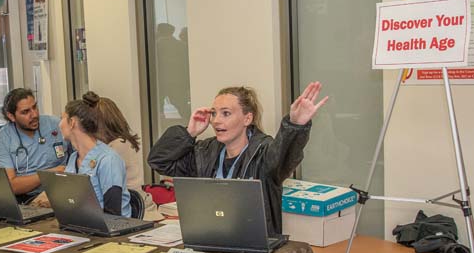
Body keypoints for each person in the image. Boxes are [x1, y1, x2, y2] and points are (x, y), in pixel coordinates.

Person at [148, 82, 328, 237]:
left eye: (225, 113)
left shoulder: (264, 152)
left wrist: (295, 124)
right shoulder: (204, 152)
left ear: (247, 118)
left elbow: (285, 155)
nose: (216, 121)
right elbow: (159, 161)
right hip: (208, 239)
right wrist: (189, 133)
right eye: (213, 114)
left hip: (252, 245)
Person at [0, 88, 68, 201]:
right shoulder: (1, 140)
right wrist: (48, 175)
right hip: (25, 198)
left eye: (35, 107)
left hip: (61, 191)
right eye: (25, 112)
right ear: (11, 116)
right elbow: (11, 185)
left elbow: (80, 154)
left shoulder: (55, 124)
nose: (34, 114)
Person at [60, 92, 131, 217]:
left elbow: (113, 214)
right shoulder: (73, 158)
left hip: (108, 231)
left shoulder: (108, 159)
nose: (59, 124)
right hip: (81, 226)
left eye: (62, 119)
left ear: (72, 122)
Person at [95, 96, 161, 220]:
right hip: (125, 206)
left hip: (136, 210)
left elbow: (95, 176)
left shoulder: (118, 145)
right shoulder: (114, 143)